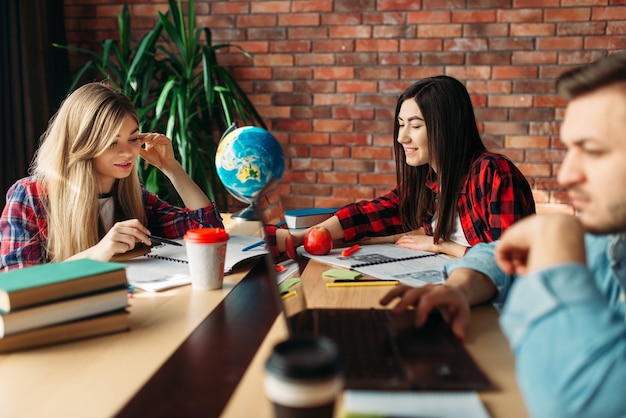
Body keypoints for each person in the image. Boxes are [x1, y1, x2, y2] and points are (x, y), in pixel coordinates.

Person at [382, 50, 626, 418]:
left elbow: (578, 405)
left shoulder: (491, 172)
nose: (566, 176)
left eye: (592, 150)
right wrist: (460, 289)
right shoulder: (605, 237)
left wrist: (554, 260)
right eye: (570, 149)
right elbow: (497, 251)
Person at [277, 75, 535, 258]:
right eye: (401, 124)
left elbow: (509, 259)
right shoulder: (430, 180)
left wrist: (442, 246)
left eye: (415, 125)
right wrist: (304, 237)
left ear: (445, 128)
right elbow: (371, 214)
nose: (402, 137)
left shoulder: (492, 173)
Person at [0, 82, 223, 271]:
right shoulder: (31, 196)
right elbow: (16, 283)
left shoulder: (134, 197)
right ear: (82, 143)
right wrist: (98, 252)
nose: (127, 153)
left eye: (133, 138)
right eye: (112, 142)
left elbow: (208, 230)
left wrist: (171, 167)